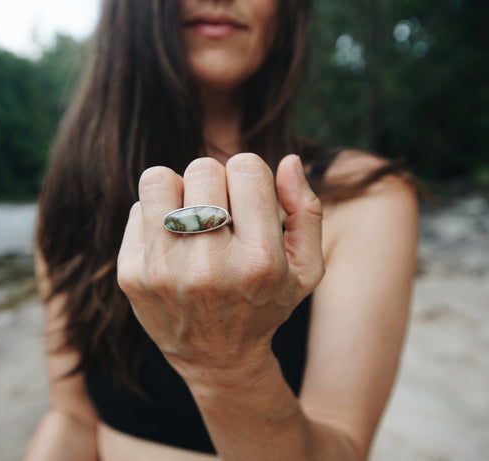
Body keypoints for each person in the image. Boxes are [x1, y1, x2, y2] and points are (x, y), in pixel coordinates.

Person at [24, 0, 418, 460]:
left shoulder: (362, 196)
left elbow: (346, 449)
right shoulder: (73, 194)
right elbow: (71, 417)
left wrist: (229, 368)